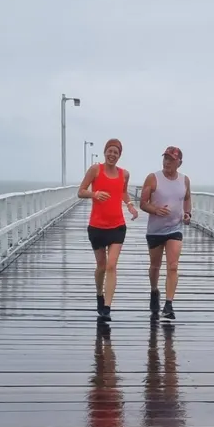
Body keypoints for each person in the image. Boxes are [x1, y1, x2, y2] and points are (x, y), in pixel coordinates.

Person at [78, 137, 138, 320]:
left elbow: (122, 191)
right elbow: (81, 191)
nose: (112, 154)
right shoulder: (96, 169)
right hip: (97, 226)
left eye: (116, 152)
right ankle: (99, 293)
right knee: (102, 266)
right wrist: (94, 194)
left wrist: (130, 205)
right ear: (105, 152)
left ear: (120, 155)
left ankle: (107, 307)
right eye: (110, 151)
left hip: (117, 226)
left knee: (112, 265)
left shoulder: (124, 174)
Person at [139, 146, 191, 321]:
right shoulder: (153, 178)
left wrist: (187, 213)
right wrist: (155, 210)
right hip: (155, 230)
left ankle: (169, 304)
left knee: (173, 265)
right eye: (165, 158)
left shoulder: (185, 180)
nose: (167, 162)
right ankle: (154, 291)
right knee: (155, 266)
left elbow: (187, 198)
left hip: (175, 229)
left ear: (179, 163)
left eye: (171, 159)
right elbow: (143, 203)